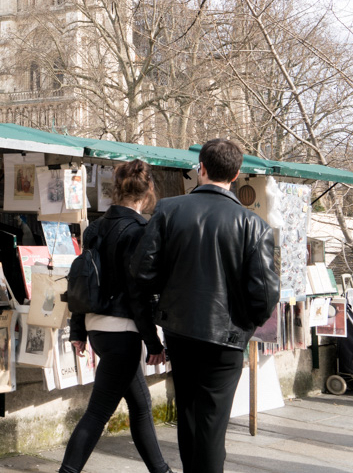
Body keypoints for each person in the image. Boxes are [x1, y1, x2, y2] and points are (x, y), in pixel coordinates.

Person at [131, 138, 278, 473]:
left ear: (201, 168)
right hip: (226, 336)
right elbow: (266, 294)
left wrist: (167, 302)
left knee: (189, 415)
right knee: (212, 424)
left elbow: (142, 273)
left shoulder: (169, 210)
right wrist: (246, 324)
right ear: (237, 174)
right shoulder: (253, 225)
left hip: (180, 329)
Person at [59, 160, 172, 473]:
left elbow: (81, 281)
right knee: (97, 414)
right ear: (148, 191)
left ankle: (162, 471)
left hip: (98, 331)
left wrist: (79, 330)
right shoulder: (139, 232)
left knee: (140, 405)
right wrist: (153, 341)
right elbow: (138, 295)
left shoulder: (94, 228)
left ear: (115, 189)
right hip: (123, 333)